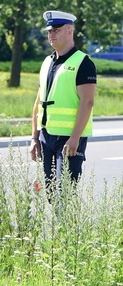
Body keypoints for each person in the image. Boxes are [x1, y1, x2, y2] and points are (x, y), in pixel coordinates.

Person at [30, 10, 96, 191]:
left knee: (65, 193)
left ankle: (69, 221)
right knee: (50, 193)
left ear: (69, 31)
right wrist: (34, 137)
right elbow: (38, 102)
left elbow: (87, 102)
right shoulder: (47, 62)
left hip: (69, 140)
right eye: (49, 31)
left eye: (56, 30)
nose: (51, 34)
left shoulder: (84, 63)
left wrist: (75, 137)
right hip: (46, 137)